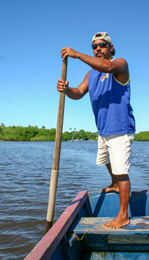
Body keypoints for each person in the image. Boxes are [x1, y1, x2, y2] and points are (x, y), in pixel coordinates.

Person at [57, 32, 135, 229]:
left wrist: (77, 55)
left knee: (121, 171)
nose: (98, 48)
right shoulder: (91, 74)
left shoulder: (120, 64)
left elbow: (108, 66)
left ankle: (123, 216)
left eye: (102, 45)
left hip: (120, 128)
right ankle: (114, 184)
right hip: (103, 129)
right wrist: (66, 89)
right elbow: (78, 93)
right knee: (105, 161)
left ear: (111, 48)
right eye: (95, 46)